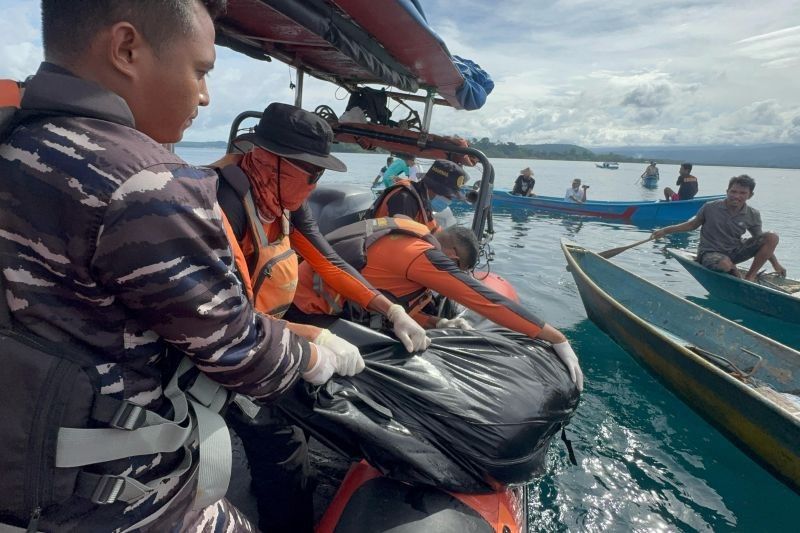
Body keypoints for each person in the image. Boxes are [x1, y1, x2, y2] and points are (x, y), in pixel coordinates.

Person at [0, 2, 364, 531]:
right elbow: (238, 352)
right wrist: (310, 357)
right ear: (126, 49)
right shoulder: (148, 181)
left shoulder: (14, 139)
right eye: (200, 70)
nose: (205, 95)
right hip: (109, 496)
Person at [213, 103, 431, 532]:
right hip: (228, 343)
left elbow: (328, 263)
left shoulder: (285, 199)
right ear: (264, 156)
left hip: (268, 331)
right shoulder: (220, 204)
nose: (315, 184)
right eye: (308, 172)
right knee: (282, 446)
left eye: (320, 174)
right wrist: (316, 336)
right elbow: (230, 314)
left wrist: (391, 310)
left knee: (288, 432)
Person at [292, 218, 584, 391]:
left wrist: (437, 323)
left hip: (320, 296)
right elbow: (484, 299)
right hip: (307, 312)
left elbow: (393, 294)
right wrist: (555, 337)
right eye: (456, 267)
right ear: (453, 257)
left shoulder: (414, 231)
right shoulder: (420, 256)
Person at [651, 175, 785, 281]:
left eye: (742, 193)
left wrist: (776, 264)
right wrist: (665, 230)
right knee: (725, 264)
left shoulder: (753, 214)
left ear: (750, 195)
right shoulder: (710, 207)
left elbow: (763, 243)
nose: (737, 196)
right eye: (733, 191)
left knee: (772, 236)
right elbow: (692, 225)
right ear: (727, 191)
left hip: (735, 251)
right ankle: (732, 269)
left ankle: (750, 277)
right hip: (709, 252)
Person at [370, 159, 468, 233]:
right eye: (449, 196)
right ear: (436, 189)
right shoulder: (404, 200)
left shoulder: (424, 203)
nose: (450, 201)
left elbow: (434, 232)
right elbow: (399, 242)